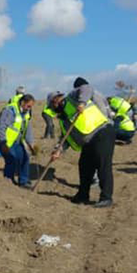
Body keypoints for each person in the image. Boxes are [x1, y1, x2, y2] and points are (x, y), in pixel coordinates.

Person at [48, 78, 115, 207]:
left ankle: (106, 198)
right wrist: (58, 151)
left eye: (52, 106)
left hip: (102, 131)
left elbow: (87, 87)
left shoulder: (72, 97)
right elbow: (65, 139)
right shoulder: (64, 120)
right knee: (84, 166)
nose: (53, 109)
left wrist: (82, 103)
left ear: (56, 100)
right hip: (88, 142)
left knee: (102, 165)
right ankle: (83, 195)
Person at [0, 94, 35, 187]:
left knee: (25, 157)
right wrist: (3, 143)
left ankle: (23, 181)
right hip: (4, 141)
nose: (29, 108)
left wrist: (30, 144)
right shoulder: (10, 110)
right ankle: (8, 181)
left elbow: (27, 129)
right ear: (23, 102)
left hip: (15, 141)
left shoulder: (26, 113)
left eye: (31, 107)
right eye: (28, 106)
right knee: (11, 159)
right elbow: (1, 126)